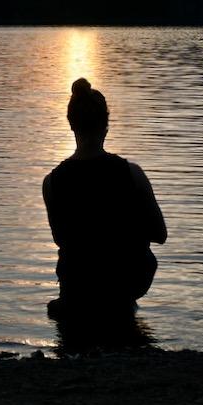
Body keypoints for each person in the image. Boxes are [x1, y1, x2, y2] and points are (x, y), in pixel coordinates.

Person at [42, 78, 167, 317]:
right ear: (106, 125)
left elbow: (61, 239)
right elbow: (160, 235)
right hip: (123, 284)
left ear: (71, 125)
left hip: (77, 286)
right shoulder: (132, 173)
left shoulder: (51, 182)